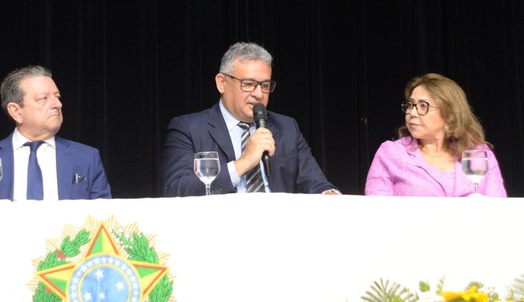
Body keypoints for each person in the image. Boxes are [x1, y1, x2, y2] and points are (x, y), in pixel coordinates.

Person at [161, 41, 340, 196]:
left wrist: (331, 195)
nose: (258, 94)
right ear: (221, 83)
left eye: (265, 85)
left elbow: (317, 184)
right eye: (248, 84)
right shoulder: (188, 129)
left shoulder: (286, 127)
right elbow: (176, 189)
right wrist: (244, 162)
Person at [0, 65, 111, 201]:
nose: (58, 104)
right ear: (16, 111)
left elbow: (102, 221)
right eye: (43, 98)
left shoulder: (86, 158)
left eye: (57, 97)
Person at [365, 73, 506, 197]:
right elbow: (378, 212)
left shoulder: (479, 154)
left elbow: (499, 211)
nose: (412, 113)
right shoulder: (391, 153)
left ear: (450, 115)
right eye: (410, 105)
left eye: (423, 106)